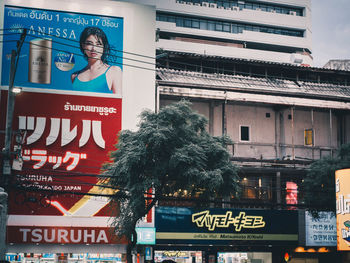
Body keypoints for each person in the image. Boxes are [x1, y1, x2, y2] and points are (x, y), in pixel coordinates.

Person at [71, 26, 122, 95]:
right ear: (83, 46)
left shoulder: (114, 71)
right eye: (89, 43)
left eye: (98, 44)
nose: (94, 48)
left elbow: (118, 103)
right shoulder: (74, 76)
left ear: (104, 47)